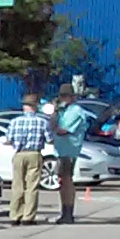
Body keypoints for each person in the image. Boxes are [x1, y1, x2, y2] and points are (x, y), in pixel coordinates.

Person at [2, 91, 52, 225]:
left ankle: (15, 215)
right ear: (35, 106)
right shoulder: (42, 122)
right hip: (34, 153)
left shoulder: (15, 122)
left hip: (19, 154)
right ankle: (28, 217)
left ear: (24, 106)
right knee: (32, 187)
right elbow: (50, 139)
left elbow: (8, 140)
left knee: (17, 185)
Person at [49, 92, 85, 223]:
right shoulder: (62, 111)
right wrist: (53, 113)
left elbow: (63, 130)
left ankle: (68, 214)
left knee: (67, 180)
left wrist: (53, 126)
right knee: (62, 181)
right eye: (61, 96)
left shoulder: (76, 111)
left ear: (72, 97)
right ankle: (64, 212)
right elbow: (52, 125)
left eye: (65, 96)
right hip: (60, 151)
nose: (62, 99)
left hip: (69, 151)